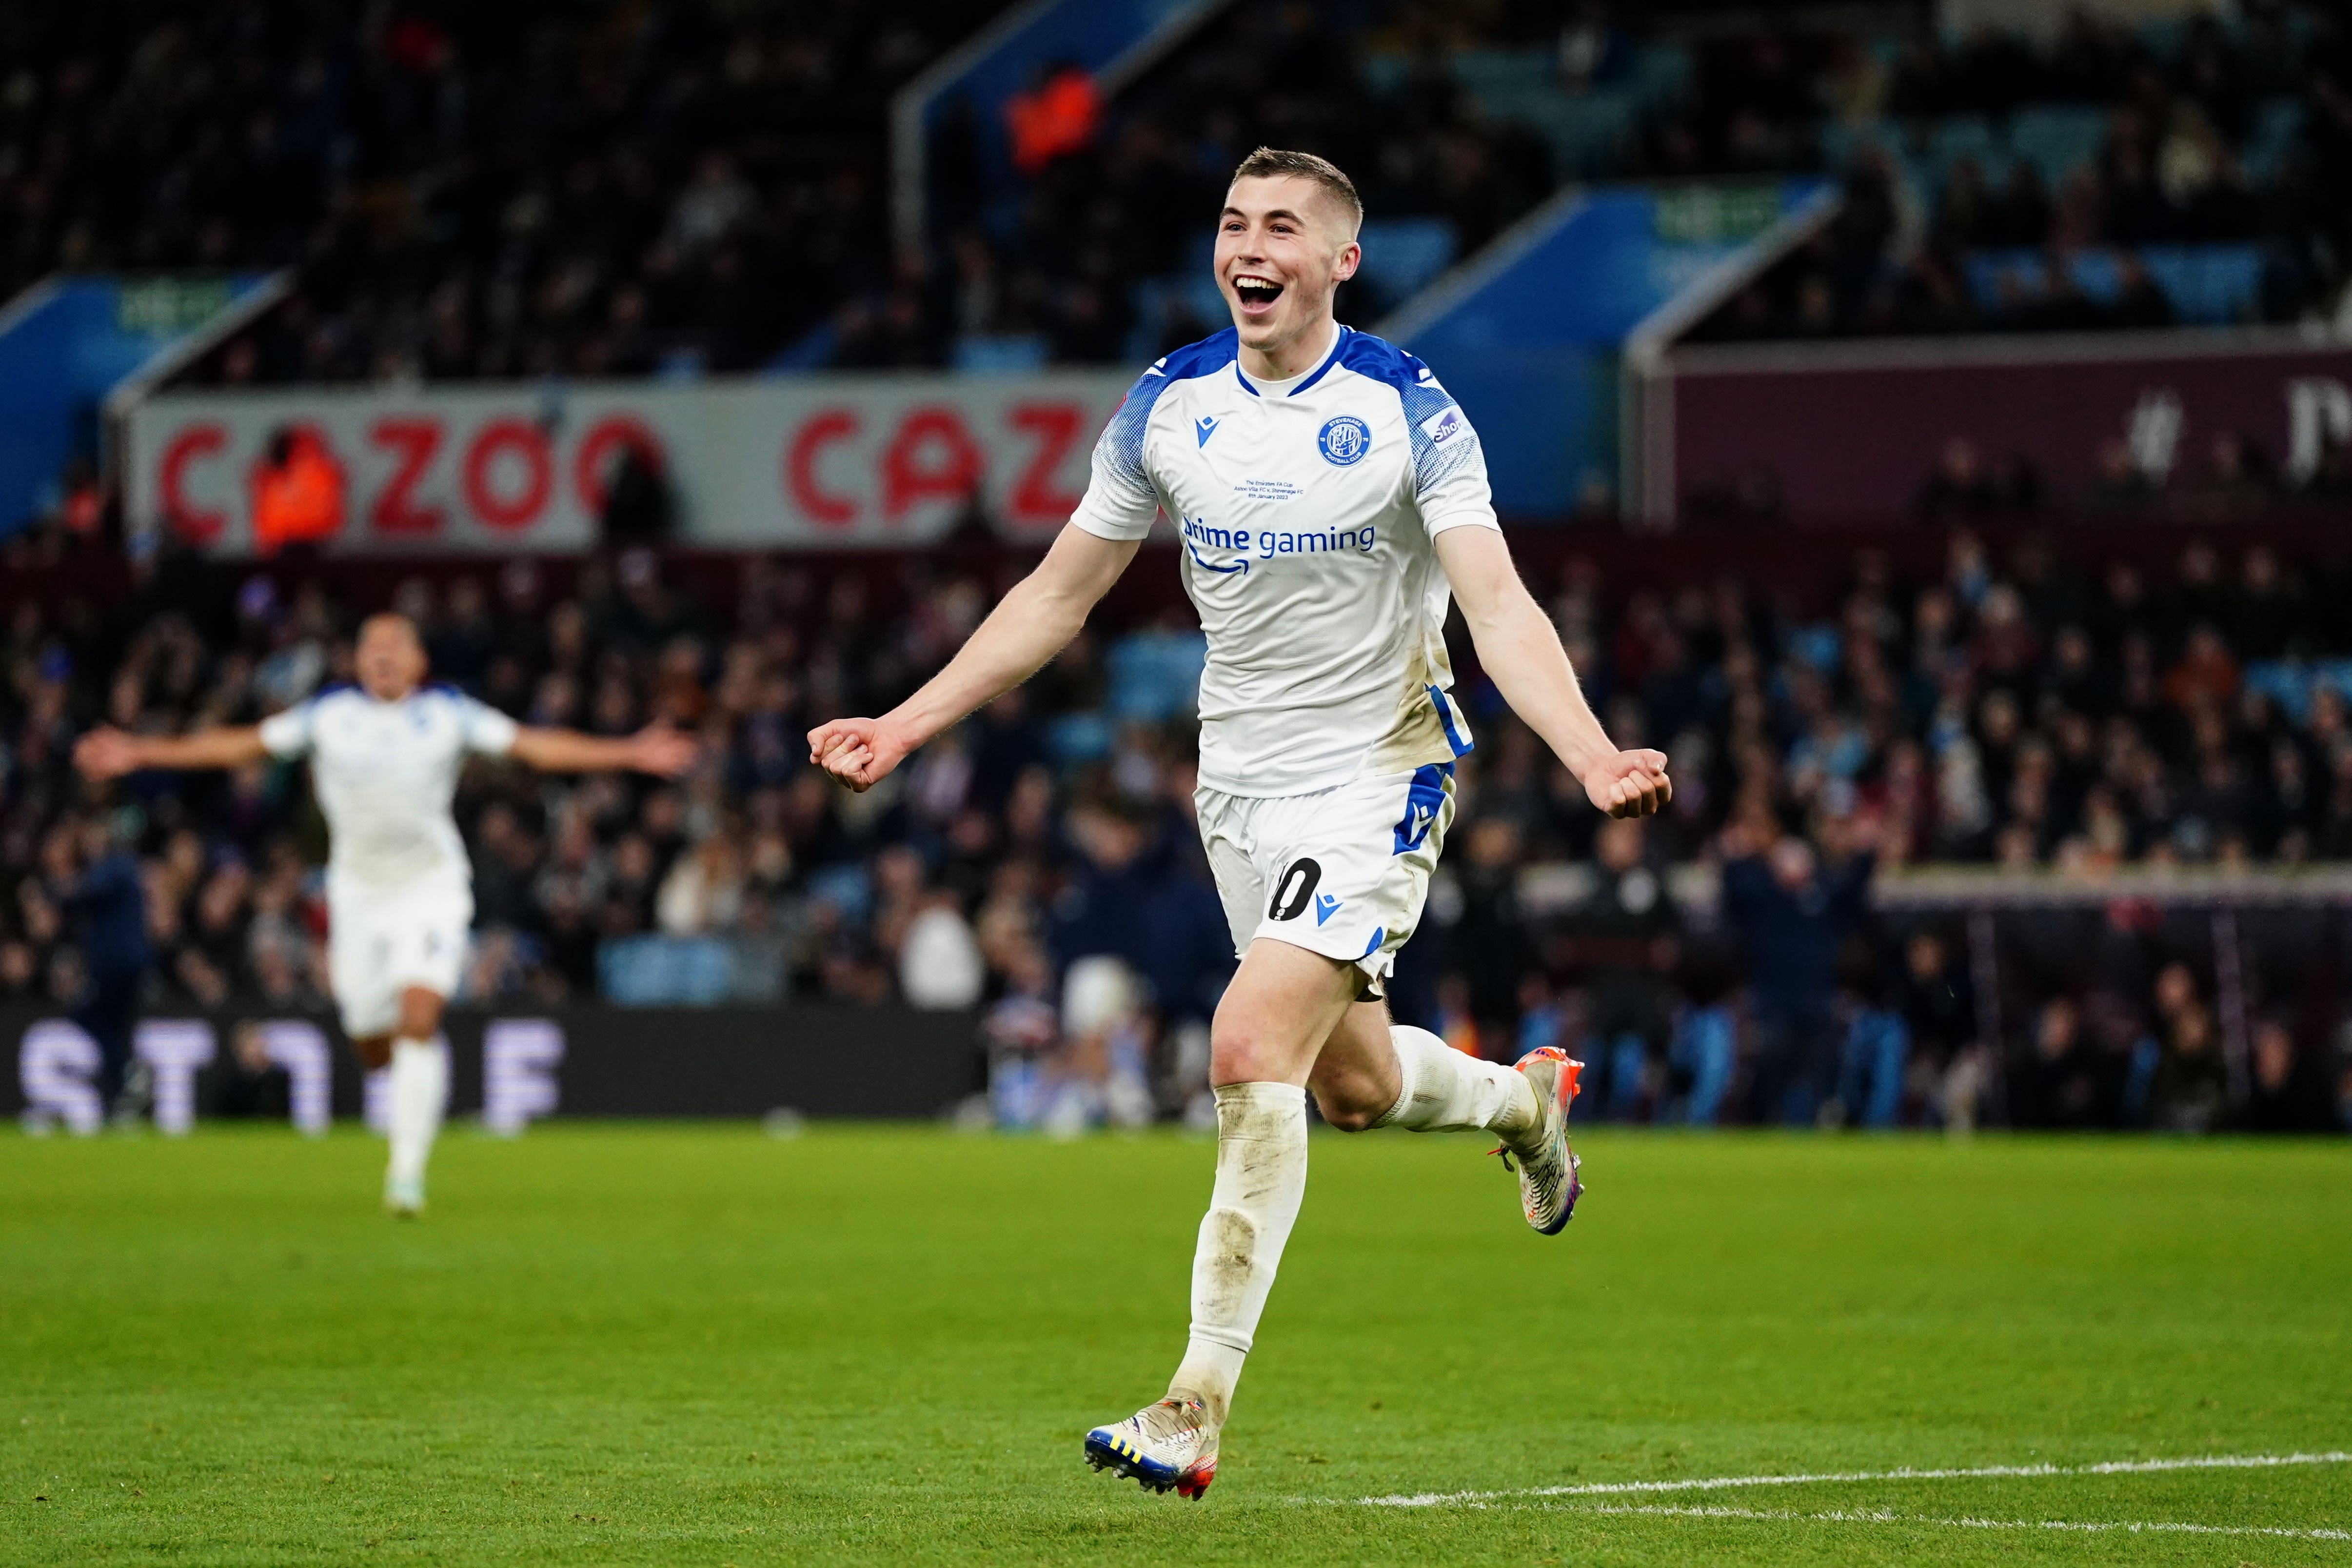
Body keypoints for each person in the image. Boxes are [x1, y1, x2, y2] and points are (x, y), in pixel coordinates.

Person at [806, 146, 1668, 1499]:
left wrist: (1587, 749)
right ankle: (1524, 1100)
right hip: (1242, 787)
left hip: (1378, 767)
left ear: (1339, 260)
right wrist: (906, 721)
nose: (1247, 245)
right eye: (1229, 222)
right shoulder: (1168, 403)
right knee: (1349, 1084)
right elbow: (1054, 595)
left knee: (1244, 1039)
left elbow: (1495, 604)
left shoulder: (1407, 409)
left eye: (1281, 225)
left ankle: (1192, 1400)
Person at [75, 613, 694, 1213]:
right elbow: (241, 744)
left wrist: (629, 752)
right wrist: (141, 751)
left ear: (419, 660)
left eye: (396, 644)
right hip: (358, 898)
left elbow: (536, 747)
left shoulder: (448, 714)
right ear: (358, 659)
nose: (384, 654)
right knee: (371, 1034)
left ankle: (406, 1175)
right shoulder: (330, 716)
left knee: (418, 1019)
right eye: (373, 645)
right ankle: (397, 1074)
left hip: (431, 887)